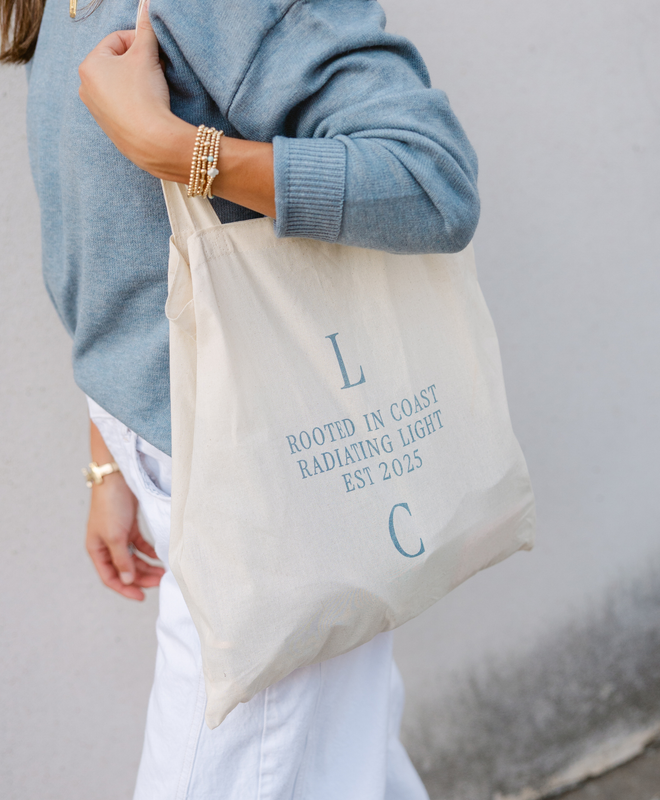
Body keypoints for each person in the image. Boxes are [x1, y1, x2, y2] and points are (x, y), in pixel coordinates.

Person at [4, 0, 479, 795]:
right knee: (341, 767)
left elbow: (432, 181)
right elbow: (116, 253)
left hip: (267, 487)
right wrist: (109, 457)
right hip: (182, 464)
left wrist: (178, 151)